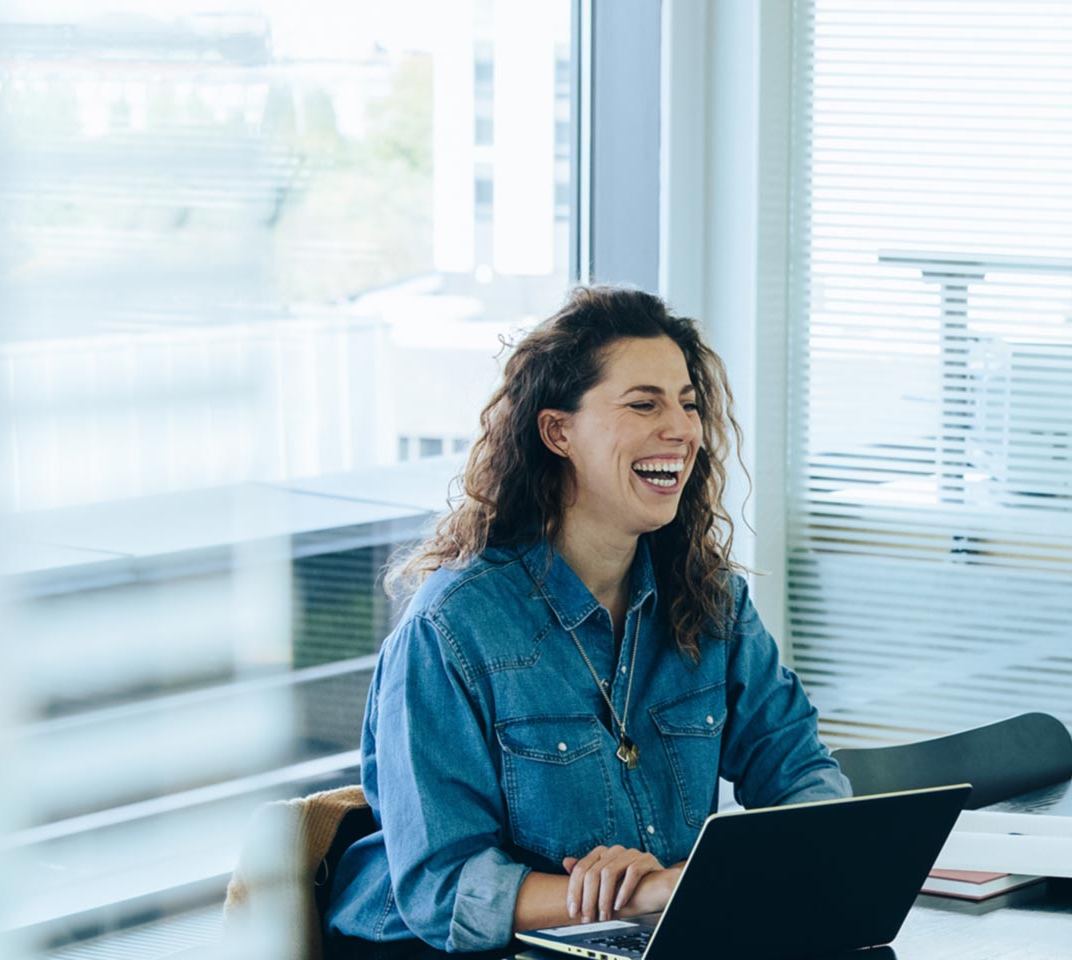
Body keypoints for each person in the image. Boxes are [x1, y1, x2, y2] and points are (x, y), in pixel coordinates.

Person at [324, 287, 851, 957]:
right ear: (557, 432)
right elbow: (444, 889)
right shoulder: (450, 630)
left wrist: (700, 881)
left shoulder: (710, 602)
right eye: (644, 404)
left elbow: (803, 774)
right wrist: (649, 893)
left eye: (688, 404)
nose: (683, 429)